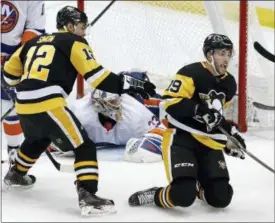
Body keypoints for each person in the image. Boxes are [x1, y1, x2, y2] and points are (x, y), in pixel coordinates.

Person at [2, 5, 155, 216]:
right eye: (82, 27)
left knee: (38, 138)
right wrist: (131, 84)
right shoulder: (75, 42)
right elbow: (97, 77)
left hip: (23, 104)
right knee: (84, 145)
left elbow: (9, 74)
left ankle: (16, 174)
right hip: (49, 103)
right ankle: (88, 196)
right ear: (70, 26)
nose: (84, 32)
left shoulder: (32, 42)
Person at [128, 33, 246, 210]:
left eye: (229, 54)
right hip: (181, 138)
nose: (226, 58)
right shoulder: (190, 73)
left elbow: (216, 118)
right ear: (209, 55)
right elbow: (169, 103)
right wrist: (199, 111)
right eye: (222, 53)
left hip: (208, 143)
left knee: (221, 197)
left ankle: (198, 188)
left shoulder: (229, 83)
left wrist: (230, 138)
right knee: (182, 195)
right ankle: (155, 194)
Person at [49, 86, 165, 163]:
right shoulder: (80, 114)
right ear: (98, 105)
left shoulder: (136, 113)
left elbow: (162, 130)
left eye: (117, 101)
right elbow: (53, 129)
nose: (116, 106)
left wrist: (155, 137)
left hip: (137, 101)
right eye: (112, 102)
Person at [1, 1, 46, 163]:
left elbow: (35, 29)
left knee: (10, 107)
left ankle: (13, 151)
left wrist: (18, 57)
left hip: (12, 59)